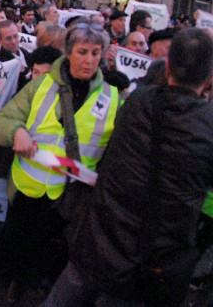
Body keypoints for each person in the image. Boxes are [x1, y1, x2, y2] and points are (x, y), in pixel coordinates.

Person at [44, 28, 213, 307]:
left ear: (168, 65)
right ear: (209, 79)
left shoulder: (138, 101)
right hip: (149, 256)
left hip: (100, 234)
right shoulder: (206, 123)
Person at [0, 19, 119, 303]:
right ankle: (15, 281)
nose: (89, 60)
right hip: (29, 185)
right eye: (83, 52)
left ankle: (37, 282)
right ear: (69, 52)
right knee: (18, 238)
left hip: (71, 193)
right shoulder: (41, 86)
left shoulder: (112, 98)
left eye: (96, 53)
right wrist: (17, 131)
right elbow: (2, 121)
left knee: (51, 245)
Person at [0, 20, 31, 91]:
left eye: (15, 36)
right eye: (8, 38)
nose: (13, 41)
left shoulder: (28, 55)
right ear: (0, 41)